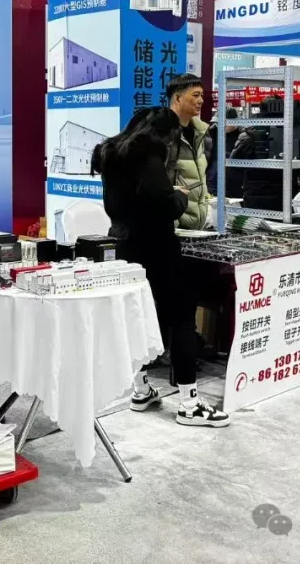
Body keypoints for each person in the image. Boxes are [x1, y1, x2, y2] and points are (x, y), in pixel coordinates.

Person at [93, 107, 228, 427]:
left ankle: (140, 389)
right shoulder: (147, 153)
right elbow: (164, 205)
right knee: (180, 318)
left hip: (123, 243)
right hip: (155, 245)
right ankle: (190, 403)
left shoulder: (111, 153)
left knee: (136, 316)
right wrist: (179, 196)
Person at [166, 74, 211, 229]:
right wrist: (172, 223)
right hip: (174, 226)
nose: (201, 100)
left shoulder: (200, 132)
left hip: (197, 226)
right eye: (195, 95)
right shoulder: (164, 135)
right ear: (177, 98)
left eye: (202, 95)